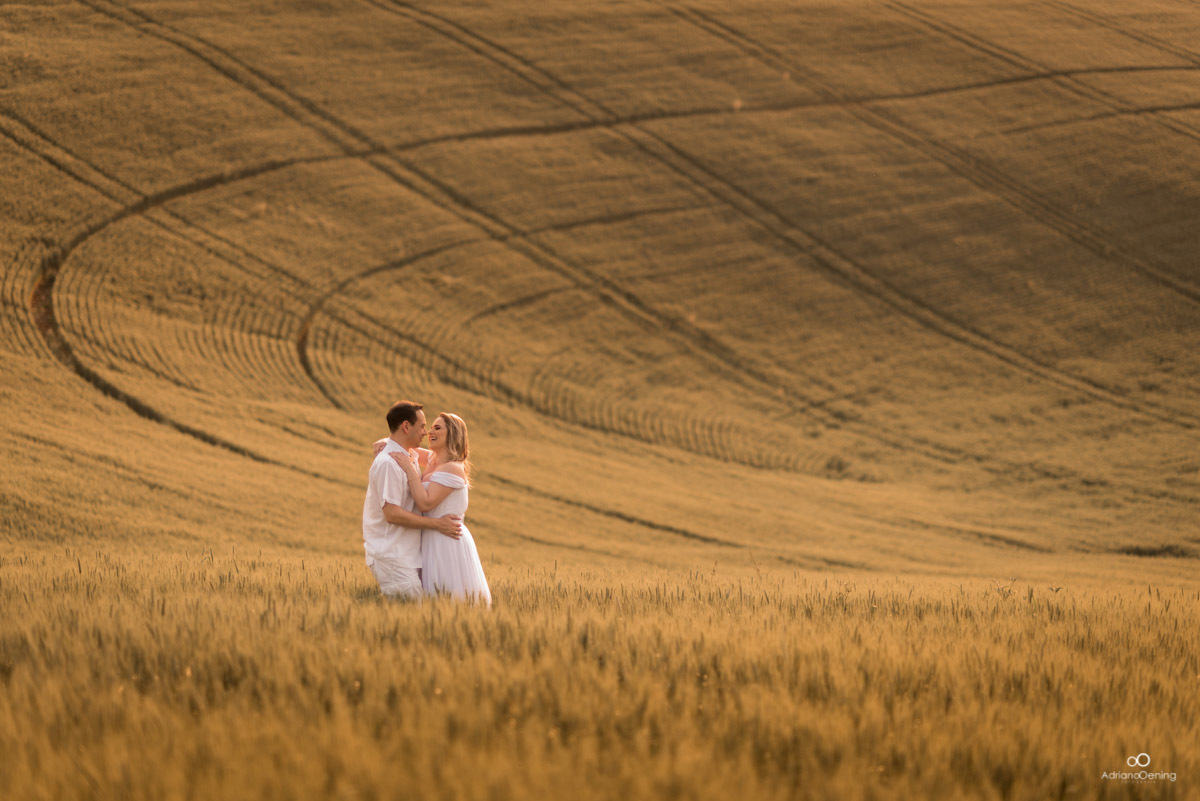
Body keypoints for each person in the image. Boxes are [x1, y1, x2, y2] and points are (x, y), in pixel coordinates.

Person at [386, 412, 491, 606]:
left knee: (451, 598)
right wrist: (385, 444)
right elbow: (407, 449)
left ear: (452, 434)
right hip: (431, 536)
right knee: (433, 600)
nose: (429, 432)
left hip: (447, 541)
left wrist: (410, 470)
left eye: (437, 428)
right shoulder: (434, 460)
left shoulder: (452, 468)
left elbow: (426, 503)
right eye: (430, 427)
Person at [362, 400, 463, 600]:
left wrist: (385, 440)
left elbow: (437, 457)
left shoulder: (410, 456)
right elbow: (391, 514)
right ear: (406, 426)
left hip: (408, 555)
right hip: (392, 555)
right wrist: (437, 524)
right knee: (413, 614)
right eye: (423, 426)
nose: (426, 432)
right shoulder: (389, 463)